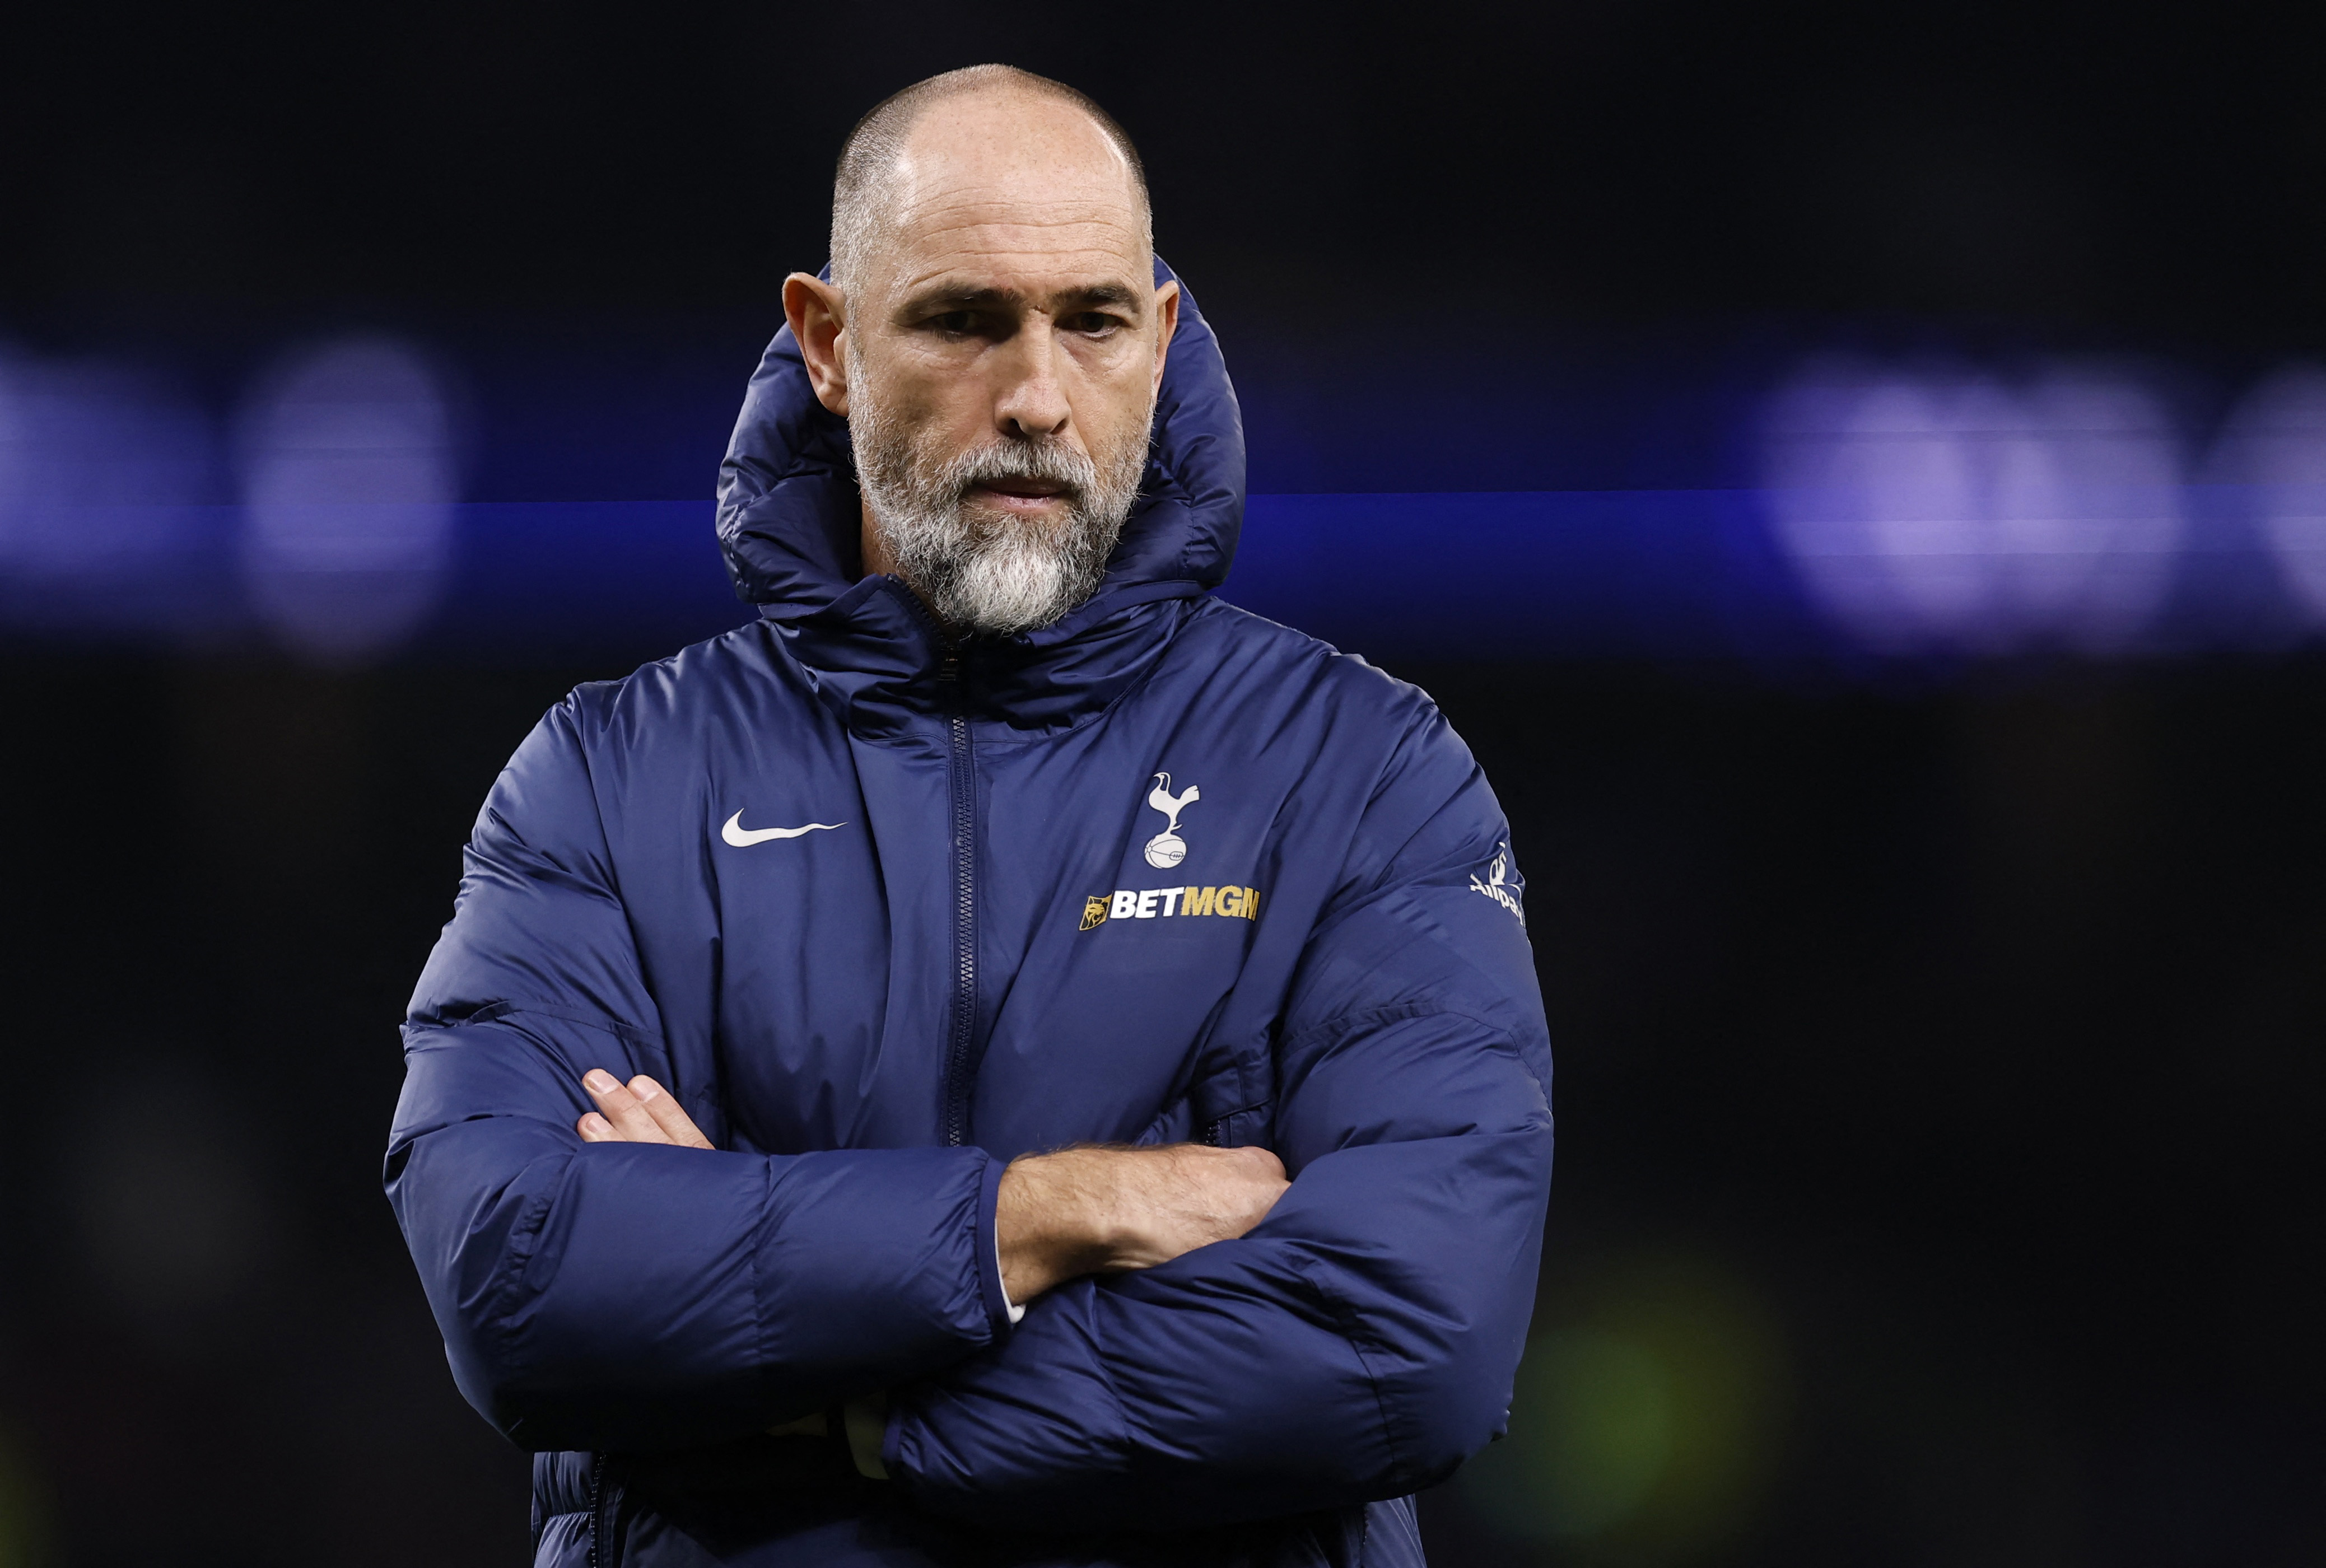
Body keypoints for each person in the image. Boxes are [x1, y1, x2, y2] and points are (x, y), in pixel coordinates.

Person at [387, 63, 1553, 1568]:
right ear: (826, 343)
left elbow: (1412, 1337)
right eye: (960, 319)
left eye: (1092, 319)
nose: (1034, 396)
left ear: (1164, 337)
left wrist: (830, 1404)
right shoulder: (608, 781)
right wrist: (1048, 1215)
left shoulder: (1365, 774)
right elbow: (519, 1279)